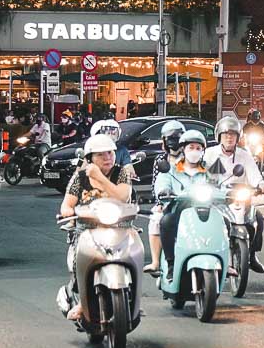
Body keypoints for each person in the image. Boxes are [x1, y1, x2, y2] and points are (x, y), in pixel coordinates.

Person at [57, 133, 134, 320]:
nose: (107, 157)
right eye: (100, 155)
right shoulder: (80, 177)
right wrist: (68, 211)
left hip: (119, 226)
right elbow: (67, 204)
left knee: (134, 254)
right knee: (77, 260)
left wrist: (100, 177)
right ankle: (82, 302)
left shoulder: (121, 172)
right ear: (90, 158)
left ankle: (132, 296)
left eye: (110, 153)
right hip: (87, 228)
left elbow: (122, 197)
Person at [204, 114, 264, 274]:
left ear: (238, 137)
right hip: (217, 200)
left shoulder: (244, 155)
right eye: (226, 134)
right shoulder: (209, 154)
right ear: (219, 136)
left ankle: (252, 255)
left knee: (258, 219)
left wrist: (262, 185)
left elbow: (254, 174)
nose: (229, 138)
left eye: (232, 134)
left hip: (239, 198)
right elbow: (200, 173)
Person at [146, 129, 210, 276]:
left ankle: (226, 261)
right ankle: (171, 263)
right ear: (184, 149)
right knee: (166, 222)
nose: (194, 151)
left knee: (225, 221)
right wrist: (164, 191)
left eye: (198, 148)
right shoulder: (171, 170)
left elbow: (221, 182)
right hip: (178, 211)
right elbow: (161, 184)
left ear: (203, 151)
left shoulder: (210, 167)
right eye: (191, 148)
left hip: (206, 211)